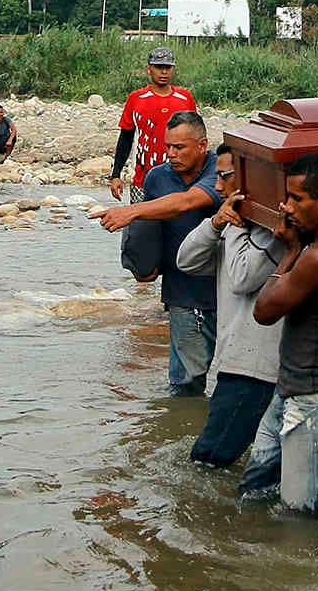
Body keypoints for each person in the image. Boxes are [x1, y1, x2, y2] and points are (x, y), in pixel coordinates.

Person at [238, 153, 318, 515]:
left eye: (296, 199)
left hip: (316, 397)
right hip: (297, 388)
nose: (287, 208)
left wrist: (290, 251)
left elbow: (264, 311)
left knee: (302, 515)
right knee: (254, 491)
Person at [90, 111, 222, 397]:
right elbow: (149, 229)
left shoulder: (221, 172)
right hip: (183, 292)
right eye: (168, 146)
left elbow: (186, 202)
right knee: (185, 384)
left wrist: (130, 210)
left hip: (228, 292)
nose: (171, 154)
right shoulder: (157, 177)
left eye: (180, 147)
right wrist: (144, 266)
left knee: (235, 379)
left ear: (202, 145)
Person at [175, 143, 288, 467]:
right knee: (240, 461)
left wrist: (234, 226)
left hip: (254, 369)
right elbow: (187, 261)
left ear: (253, 180)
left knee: (208, 461)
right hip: (233, 361)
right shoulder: (239, 227)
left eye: (225, 177)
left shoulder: (274, 232)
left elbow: (242, 277)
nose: (218, 186)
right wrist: (215, 224)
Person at [110, 47, 196, 203]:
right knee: (140, 218)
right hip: (142, 181)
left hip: (179, 181)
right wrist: (116, 175)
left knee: (177, 218)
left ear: (173, 69)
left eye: (167, 67)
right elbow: (125, 138)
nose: (163, 72)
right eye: (158, 67)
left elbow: (195, 139)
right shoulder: (136, 99)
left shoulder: (185, 99)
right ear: (149, 69)